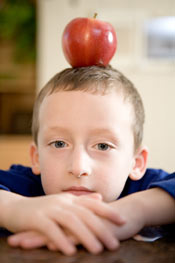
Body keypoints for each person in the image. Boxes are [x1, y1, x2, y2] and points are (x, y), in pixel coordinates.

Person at [0, 66, 174, 255]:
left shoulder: (144, 187)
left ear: (136, 163)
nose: (78, 168)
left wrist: (136, 211)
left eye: (102, 146)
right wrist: (14, 208)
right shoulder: (24, 187)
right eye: (59, 143)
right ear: (37, 157)